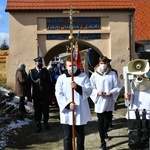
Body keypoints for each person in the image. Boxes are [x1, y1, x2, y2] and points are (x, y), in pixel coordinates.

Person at [55, 57, 92, 150]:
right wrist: (68, 104)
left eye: (74, 65)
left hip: (80, 110)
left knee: (80, 136)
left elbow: (89, 90)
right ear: (66, 67)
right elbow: (58, 94)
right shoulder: (61, 78)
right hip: (67, 111)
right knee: (67, 137)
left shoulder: (83, 76)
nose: (72, 67)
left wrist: (78, 87)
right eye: (70, 65)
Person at [90, 56, 122, 150]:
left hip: (109, 100)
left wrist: (112, 92)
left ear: (107, 64)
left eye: (104, 63)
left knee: (107, 120)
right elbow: (90, 87)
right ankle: (102, 142)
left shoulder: (112, 74)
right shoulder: (94, 75)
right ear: (98, 64)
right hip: (99, 100)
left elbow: (118, 86)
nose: (103, 65)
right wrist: (97, 92)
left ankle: (105, 132)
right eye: (101, 63)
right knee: (100, 120)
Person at [27, 57, 52, 133]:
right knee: (37, 111)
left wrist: (50, 94)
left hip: (45, 95)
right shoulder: (31, 72)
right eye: (38, 63)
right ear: (35, 64)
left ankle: (46, 122)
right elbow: (28, 85)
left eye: (41, 63)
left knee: (45, 110)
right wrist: (29, 96)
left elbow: (49, 83)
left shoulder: (45, 71)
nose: (40, 64)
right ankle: (38, 125)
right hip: (36, 95)